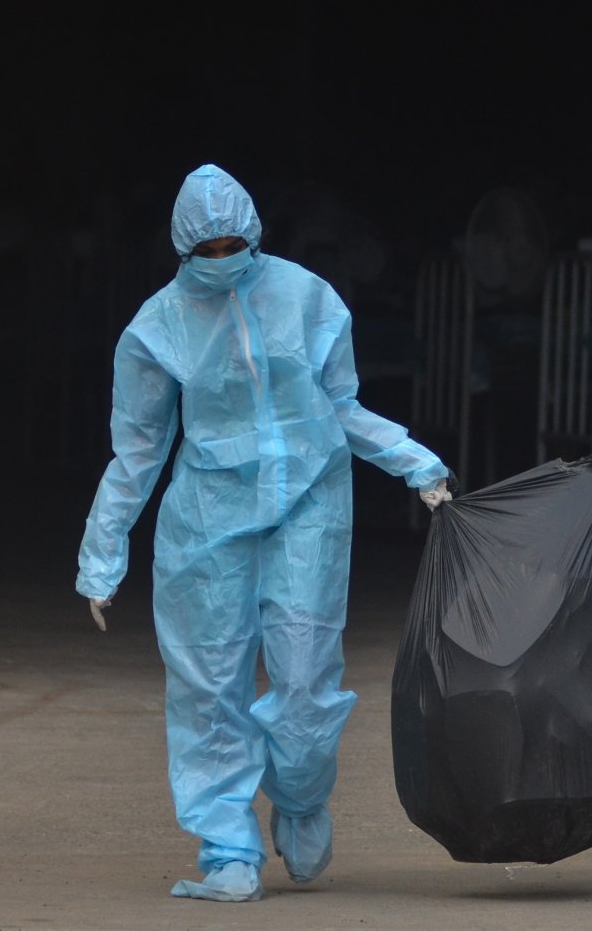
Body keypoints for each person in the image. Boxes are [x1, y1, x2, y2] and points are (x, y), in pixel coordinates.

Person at [76, 164, 453, 903]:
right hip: (206, 522)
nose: (222, 258)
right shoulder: (156, 327)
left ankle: (302, 798)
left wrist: (414, 462)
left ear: (255, 235)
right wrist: (101, 554)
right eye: (206, 249)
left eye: (233, 244)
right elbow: (139, 448)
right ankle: (225, 849)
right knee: (208, 686)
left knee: (307, 680)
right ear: (183, 249)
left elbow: (339, 403)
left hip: (309, 503)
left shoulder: (307, 297)